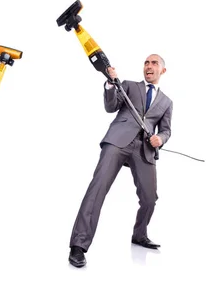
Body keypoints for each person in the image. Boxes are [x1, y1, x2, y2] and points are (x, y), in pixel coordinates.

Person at [68, 54, 173, 268]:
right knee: (97, 188)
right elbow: (111, 106)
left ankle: (139, 234)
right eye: (146, 62)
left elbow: (166, 130)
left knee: (150, 198)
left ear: (162, 70)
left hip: (144, 150)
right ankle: (78, 245)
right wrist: (110, 83)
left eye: (154, 63)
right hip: (117, 141)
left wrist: (159, 139)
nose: (149, 66)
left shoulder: (167, 102)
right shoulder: (129, 86)